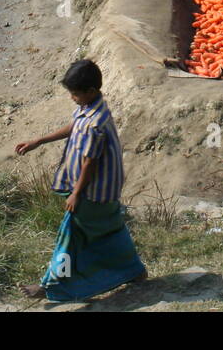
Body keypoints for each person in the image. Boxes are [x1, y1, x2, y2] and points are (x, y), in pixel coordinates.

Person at [15, 60, 146, 302]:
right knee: (111, 230)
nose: (72, 98)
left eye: (75, 94)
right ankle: (134, 271)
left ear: (90, 91)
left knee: (70, 236)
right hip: (106, 192)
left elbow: (90, 163)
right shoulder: (94, 109)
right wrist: (39, 141)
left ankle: (50, 286)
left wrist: (76, 193)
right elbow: (74, 125)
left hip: (92, 193)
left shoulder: (95, 125)